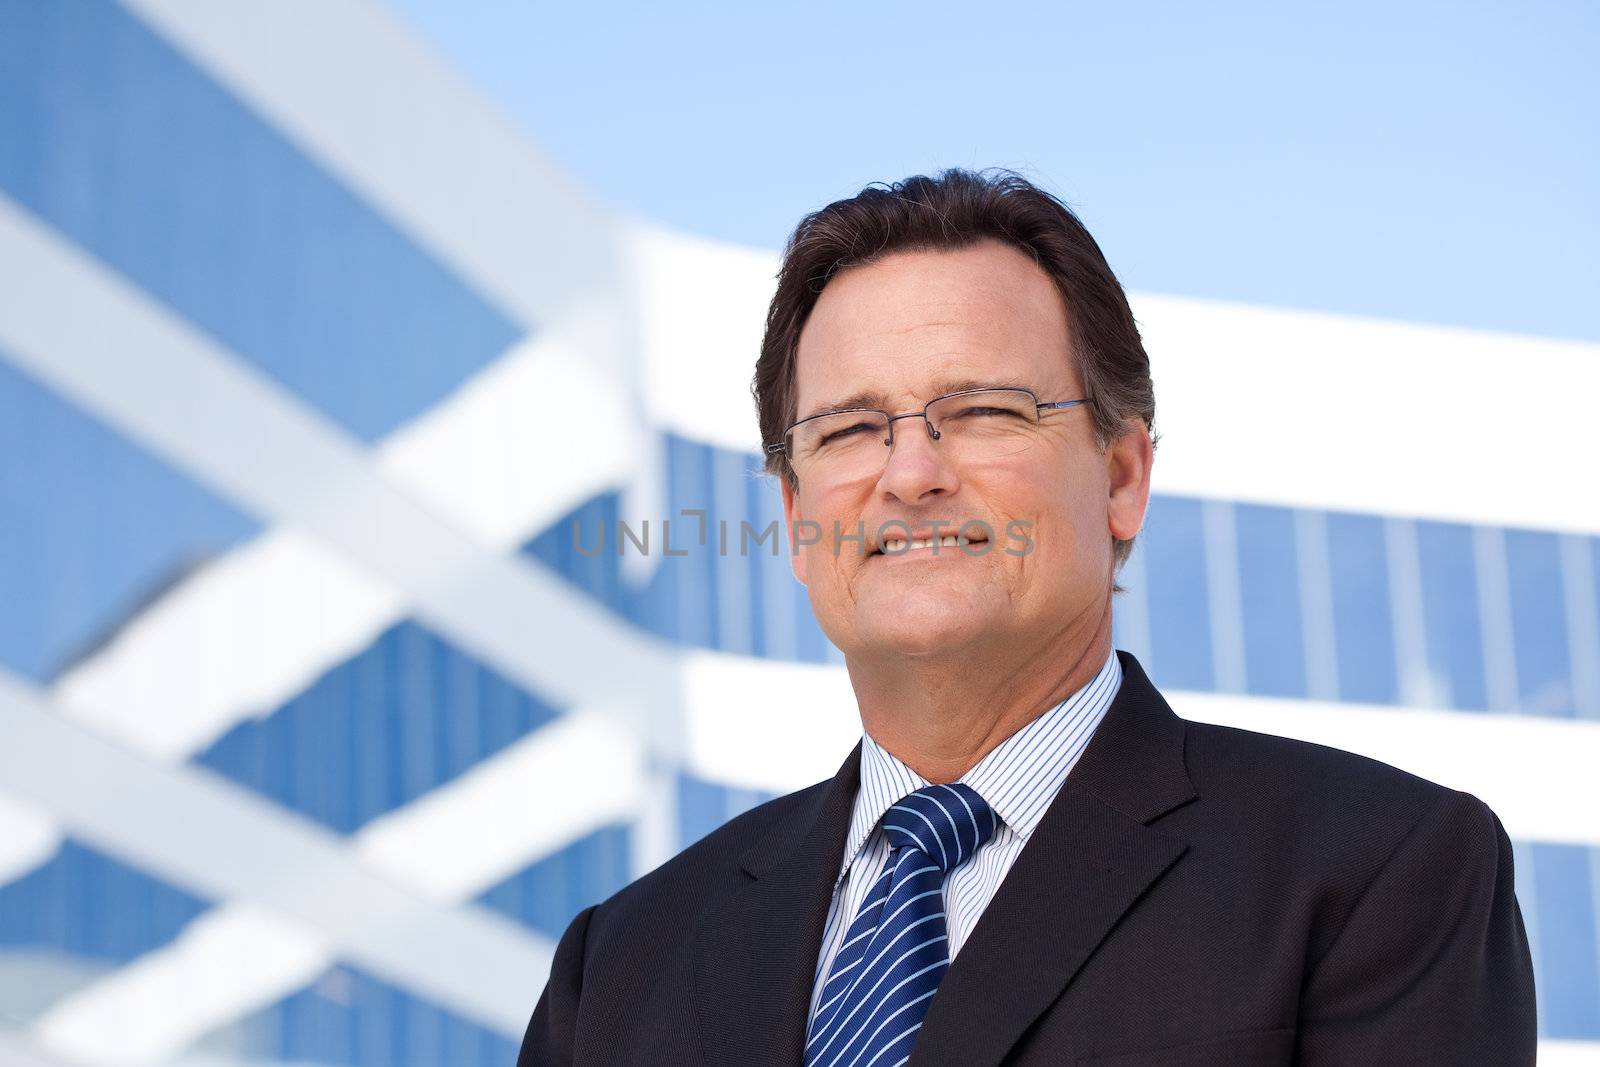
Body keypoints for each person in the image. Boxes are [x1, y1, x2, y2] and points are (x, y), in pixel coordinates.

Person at [517, 170, 1536, 1066]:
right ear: (794, 514)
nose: (910, 472)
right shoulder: (618, 966)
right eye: (850, 429)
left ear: (1122, 476)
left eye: (983, 412)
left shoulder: (1373, 872)